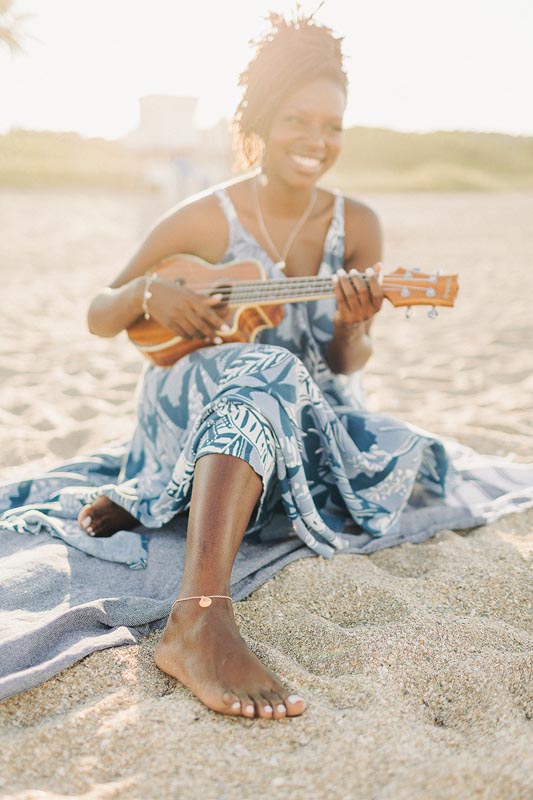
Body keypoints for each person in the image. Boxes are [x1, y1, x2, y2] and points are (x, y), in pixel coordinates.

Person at [3, 10, 531, 719]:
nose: (317, 140)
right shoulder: (206, 217)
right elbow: (101, 313)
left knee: (289, 375)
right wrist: (148, 291)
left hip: (306, 413)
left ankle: (167, 501)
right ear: (258, 117)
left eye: (332, 126)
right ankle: (199, 616)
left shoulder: (358, 225)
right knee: (267, 364)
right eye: (297, 120)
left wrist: (352, 324)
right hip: (187, 397)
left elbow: (348, 362)